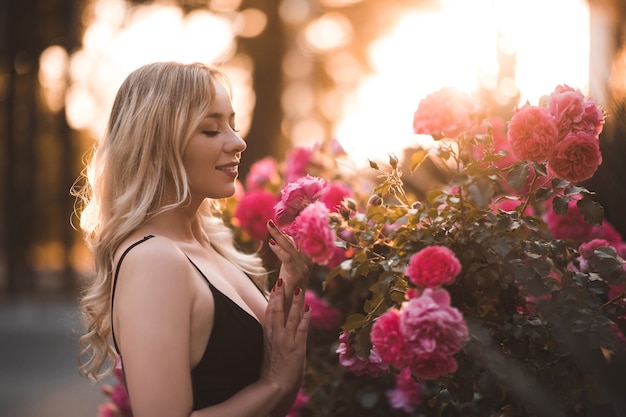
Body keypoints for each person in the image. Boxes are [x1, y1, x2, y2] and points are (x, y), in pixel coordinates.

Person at [73, 61, 312, 417]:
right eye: (211, 130)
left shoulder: (211, 246)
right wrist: (273, 383)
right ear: (159, 144)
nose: (238, 141)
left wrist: (293, 292)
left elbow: (272, 395)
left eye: (232, 123)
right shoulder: (154, 259)